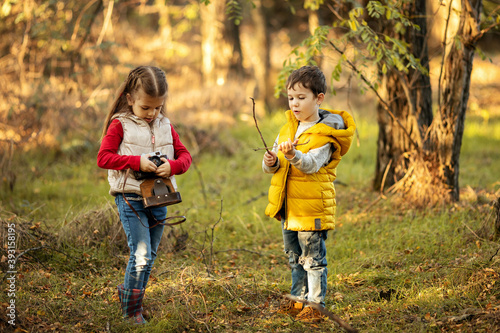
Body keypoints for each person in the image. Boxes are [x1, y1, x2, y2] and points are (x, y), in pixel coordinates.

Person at [97, 65, 192, 324]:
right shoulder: (120, 124)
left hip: (160, 198)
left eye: (158, 108)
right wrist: (137, 162)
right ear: (130, 99)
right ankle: (132, 313)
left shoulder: (166, 125)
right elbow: (103, 158)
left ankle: (129, 297)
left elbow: (185, 157)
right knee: (141, 254)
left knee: (149, 256)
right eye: (145, 108)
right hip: (130, 197)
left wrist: (171, 166)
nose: (152, 114)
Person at [262, 65, 355, 323]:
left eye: (301, 98)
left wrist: (292, 154)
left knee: (313, 259)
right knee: (294, 257)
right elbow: (272, 166)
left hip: (312, 208)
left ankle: (316, 305)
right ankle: (298, 299)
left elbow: (312, 164)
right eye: (291, 98)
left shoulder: (327, 133)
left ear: (319, 98)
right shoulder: (287, 129)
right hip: (289, 207)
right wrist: (271, 161)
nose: (294, 103)